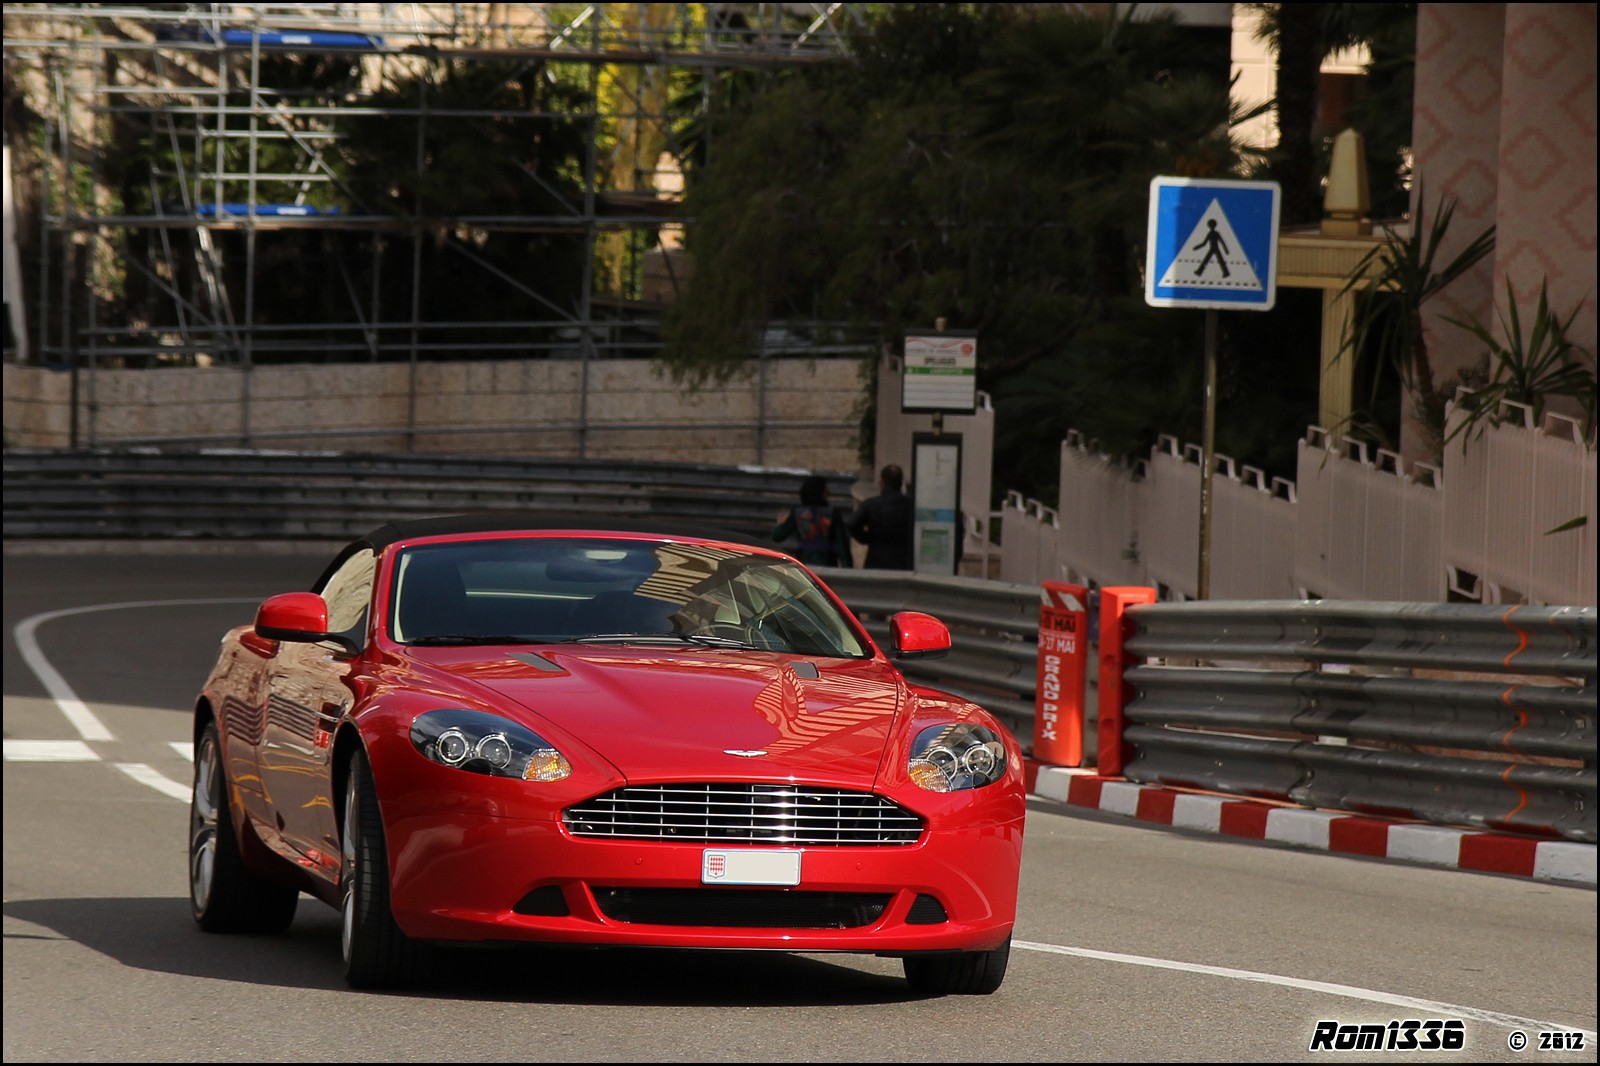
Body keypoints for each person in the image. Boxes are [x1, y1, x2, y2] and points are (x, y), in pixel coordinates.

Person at [772, 474, 852, 567]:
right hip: (828, 563)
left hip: (805, 565)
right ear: (821, 492)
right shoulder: (833, 513)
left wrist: (780, 523)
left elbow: (777, 536)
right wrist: (848, 568)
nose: (828, 492)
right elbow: (843, 546)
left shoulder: (798, 513)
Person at [848, 464, 913, 570]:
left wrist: (866, 538)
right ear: (901, 483)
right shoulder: (910, 505)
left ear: (882, 482)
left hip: (876, 559)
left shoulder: (871, 504)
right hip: (903, 561)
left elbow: (852, 523)